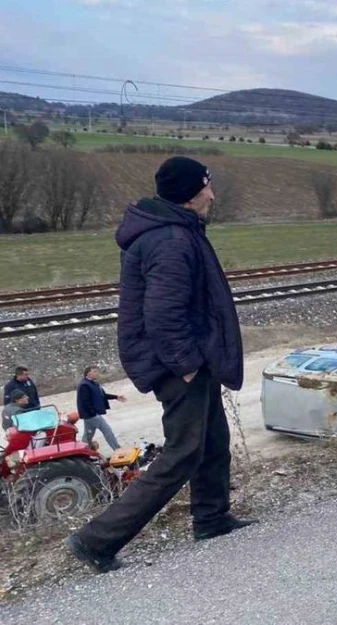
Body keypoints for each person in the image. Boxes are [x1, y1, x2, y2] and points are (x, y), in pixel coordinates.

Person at [65, 156, 255, 574]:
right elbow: (164, 315)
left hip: (190, 357)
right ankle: (96, 539)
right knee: (183, 452)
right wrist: (186, 364)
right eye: (206, 186)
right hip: (178, 361)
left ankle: (212, 518)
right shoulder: (170, 240)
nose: (212, 194)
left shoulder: (178, 230)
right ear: (190, 192)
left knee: (213, 439)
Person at [76, 366, 127, 451]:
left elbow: (102, 395)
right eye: (95, 371)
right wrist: (93, 413)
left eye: (97, 371)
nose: (97, 373)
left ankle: (83, 452)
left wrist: (116, 397)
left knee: (88, 435)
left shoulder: (94, 384)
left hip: (89, 415)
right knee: (107, 431)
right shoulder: (84, 385)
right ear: (88, 373)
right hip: (91, 415)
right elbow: (85, 402)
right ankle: (117, 449)